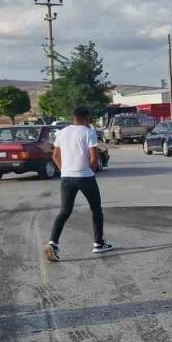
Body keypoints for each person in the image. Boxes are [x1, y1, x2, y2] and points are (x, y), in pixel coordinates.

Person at [44, 106, 113, 261]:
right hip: (85, 177)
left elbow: (55, 155)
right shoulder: (89, 132)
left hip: (66, 178)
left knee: (64, 211)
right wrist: (90, 171)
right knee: (96, 209)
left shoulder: (62, 132)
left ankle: (52, 243)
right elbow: (94, 159)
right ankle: (98, 243)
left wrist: (65, 170)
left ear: (73, 117)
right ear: (87, 117)